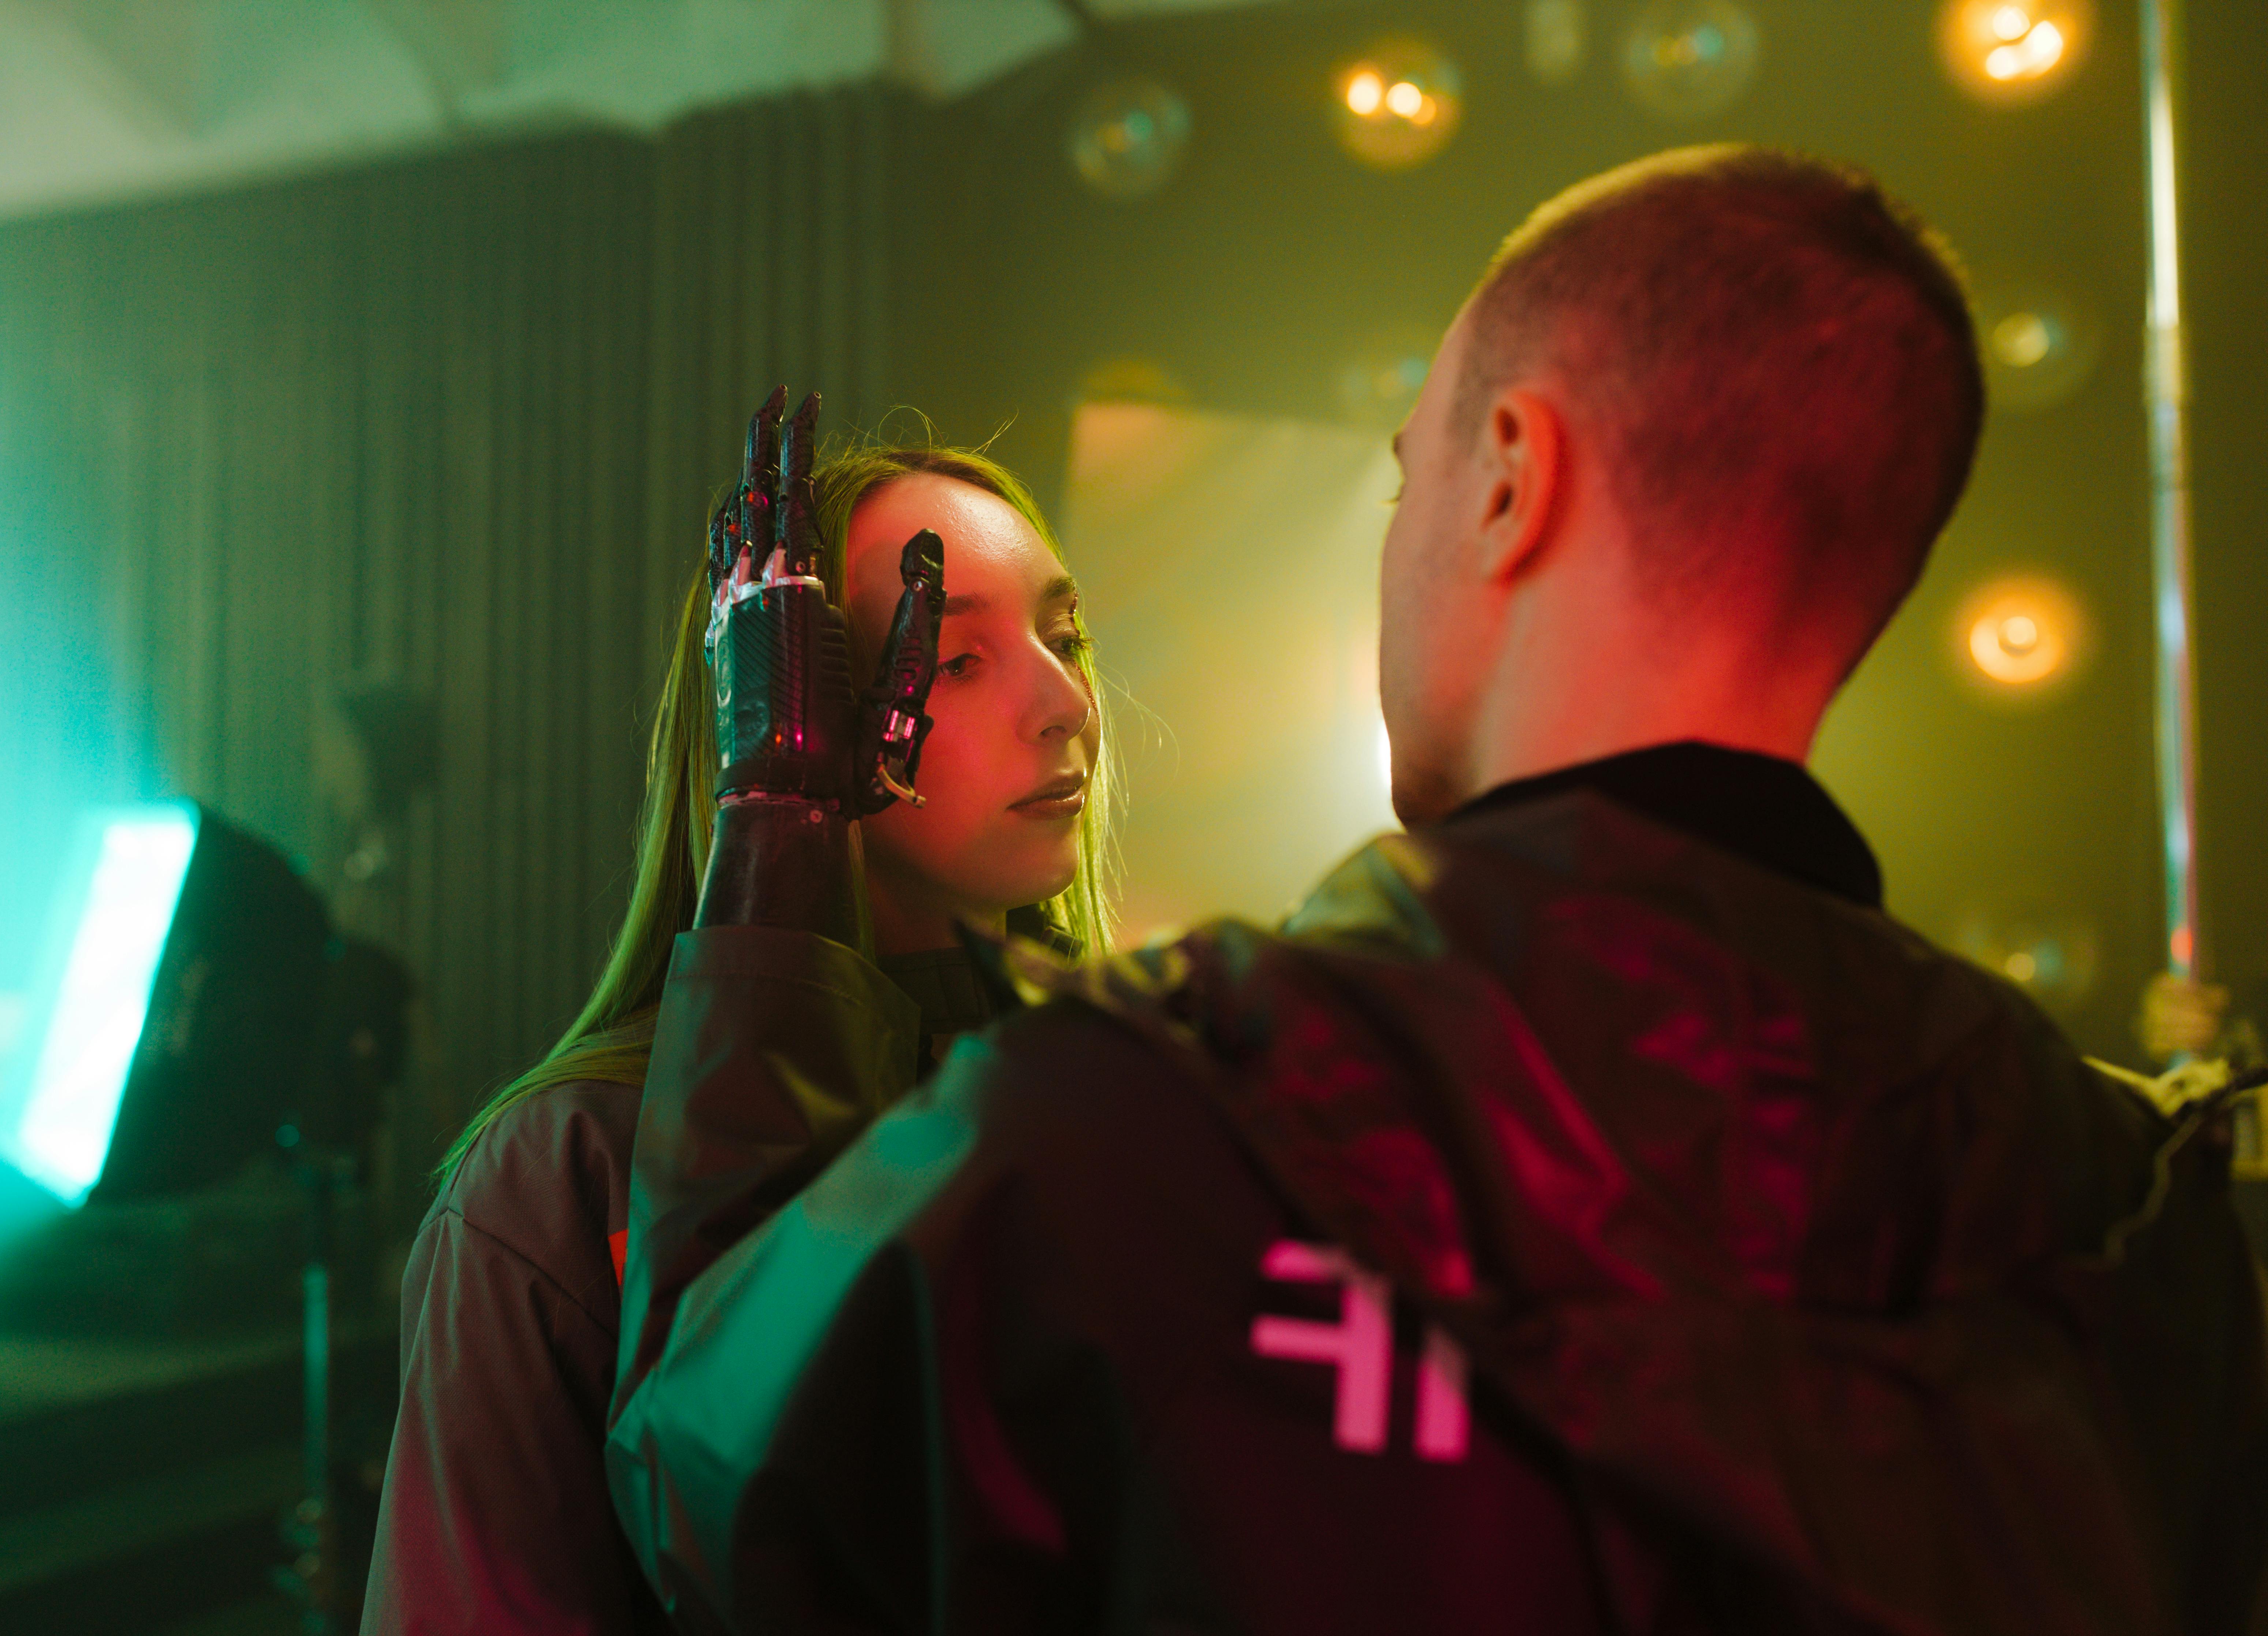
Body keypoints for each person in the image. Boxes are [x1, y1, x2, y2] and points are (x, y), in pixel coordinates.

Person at [606, 146, 2268, 1634]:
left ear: (1510, 478)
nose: (1056, 700)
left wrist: (769, 850)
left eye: (1409, 480)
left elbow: (714, 1470)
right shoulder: (2131, 1217)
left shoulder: (1154, 1121)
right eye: (959, 655)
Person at [357, 404, 1116, 1635]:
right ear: (783, 705)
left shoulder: (1118, 1109)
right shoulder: (566, 1175)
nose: (1065, 701)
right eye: (960, 660)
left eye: (1065, 635)